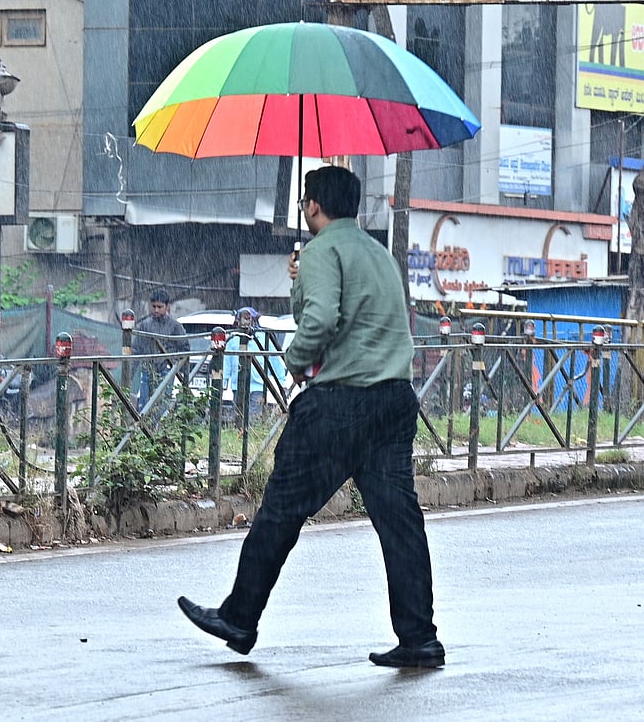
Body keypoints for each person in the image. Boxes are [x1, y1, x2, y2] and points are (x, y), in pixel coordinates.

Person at [177, 166, 444, 669]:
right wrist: (302, 284)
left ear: (314, 206)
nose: (303, 209)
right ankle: (419, 637)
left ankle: (239, 617)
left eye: (304, 202)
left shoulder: (323, 252)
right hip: (393, 401)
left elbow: (318, 320)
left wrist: (295, 360)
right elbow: (355, 317)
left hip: (339, 403)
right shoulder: (380, 255)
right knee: (399, 522)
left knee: (281, 510)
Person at [222, 307, 288, 423]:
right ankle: (240, 431)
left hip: (258, 385)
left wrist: (282, 382)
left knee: (254, 418)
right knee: (239, 415)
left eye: (248, 319)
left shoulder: (263, 338)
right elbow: (226, 363)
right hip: (238, 385)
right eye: (243, 319)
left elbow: (275, 360)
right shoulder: (233, 339)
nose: (246, 323)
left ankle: (251, 432)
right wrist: (223, 382)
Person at [131, 288, 189, 410]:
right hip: (148, 370)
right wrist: (130, 373)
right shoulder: (145, 325)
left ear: (167, 306)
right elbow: (136, 349)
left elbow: (184, 349)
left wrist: (176, 366)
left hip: (166, 371)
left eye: (159, 307)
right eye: (154, 306)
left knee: (163, 405)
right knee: (144, 405)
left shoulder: (175, 326)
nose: (156, 310)